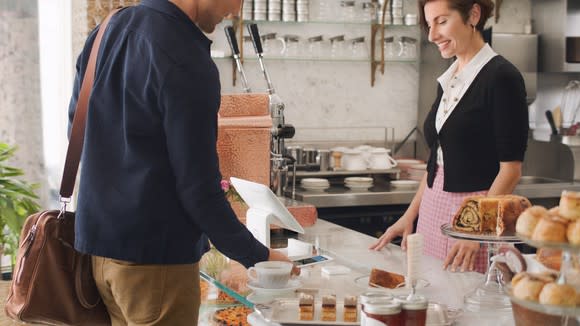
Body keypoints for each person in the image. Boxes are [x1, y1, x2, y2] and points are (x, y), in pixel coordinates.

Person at [68, 1, 294, 324]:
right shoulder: (186, 58)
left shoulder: (107, 30)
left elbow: (77, 132)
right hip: (155, 268)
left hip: (98, 256)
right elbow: (200, 192)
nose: (236, 11)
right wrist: (260, 257)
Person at [370, 0, 528, 274]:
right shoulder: (452, 77)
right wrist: (409, 216)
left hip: (476, 210)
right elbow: (438, 161)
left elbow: (511, 170)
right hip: (433, 207)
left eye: (441, 22)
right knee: (435, 299)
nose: (432, 35)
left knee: (469, 303)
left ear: (474, 15)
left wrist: (478, 229)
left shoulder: (502, 77)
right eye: (429, 24)